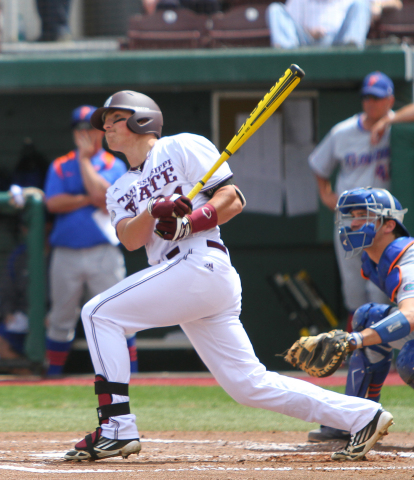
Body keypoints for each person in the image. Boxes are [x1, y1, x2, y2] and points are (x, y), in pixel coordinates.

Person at [63, 90, 392, 463]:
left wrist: (190, 223)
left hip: (201, 265)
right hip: (179, 279)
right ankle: (363, 415)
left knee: (98, 313)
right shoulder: (119, 188)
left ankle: (115, 428)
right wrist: (156, 209)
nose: (105, 125)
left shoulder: (181, 146)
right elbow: (129, 238)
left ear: (142, 119)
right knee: (247, 385)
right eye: (103, 120)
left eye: (115, 117)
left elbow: (232, 199)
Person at [308, 71, 414, 332]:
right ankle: (355, 341)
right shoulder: (343, 131)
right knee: (353, 288)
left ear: (390, 100)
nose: (370, 103)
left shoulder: (397, 127)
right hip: (351, 220)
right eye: (366, 97)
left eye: (376, 98)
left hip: (383, 223)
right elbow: (319, 165)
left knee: (381, 288)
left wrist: (390, 121)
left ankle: (381, 341)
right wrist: (326, 194)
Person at [309, 187, 414, 444]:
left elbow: (410, 315)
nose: (354, 223)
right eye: (352, 215)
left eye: (364, 215)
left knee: (411, 357)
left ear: (389, 225)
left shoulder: (407, 258)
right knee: (368, 317)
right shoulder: (375, 261)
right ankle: (356, 419)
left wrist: (354, 340)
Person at [44, 105, 138, 377]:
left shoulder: (114, 164)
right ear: (74, 133)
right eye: (80, 129)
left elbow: (104, 199)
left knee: (119, 314)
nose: (86, 134)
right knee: (61, 317)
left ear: (101, 132)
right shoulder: (61, 164)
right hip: (66, 252)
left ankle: (135, 376)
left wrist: (85, 162)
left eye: (91, 128)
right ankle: (52, 377)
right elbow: (53, 203)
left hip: (103, 251)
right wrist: (87, 199)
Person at [266, 0, 372, 49]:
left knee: (362, 3)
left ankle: (351, 52)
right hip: (306, 43)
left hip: (340, 42)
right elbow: (289, 24)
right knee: (275, 9)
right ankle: (286, 57)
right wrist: (310, 32)